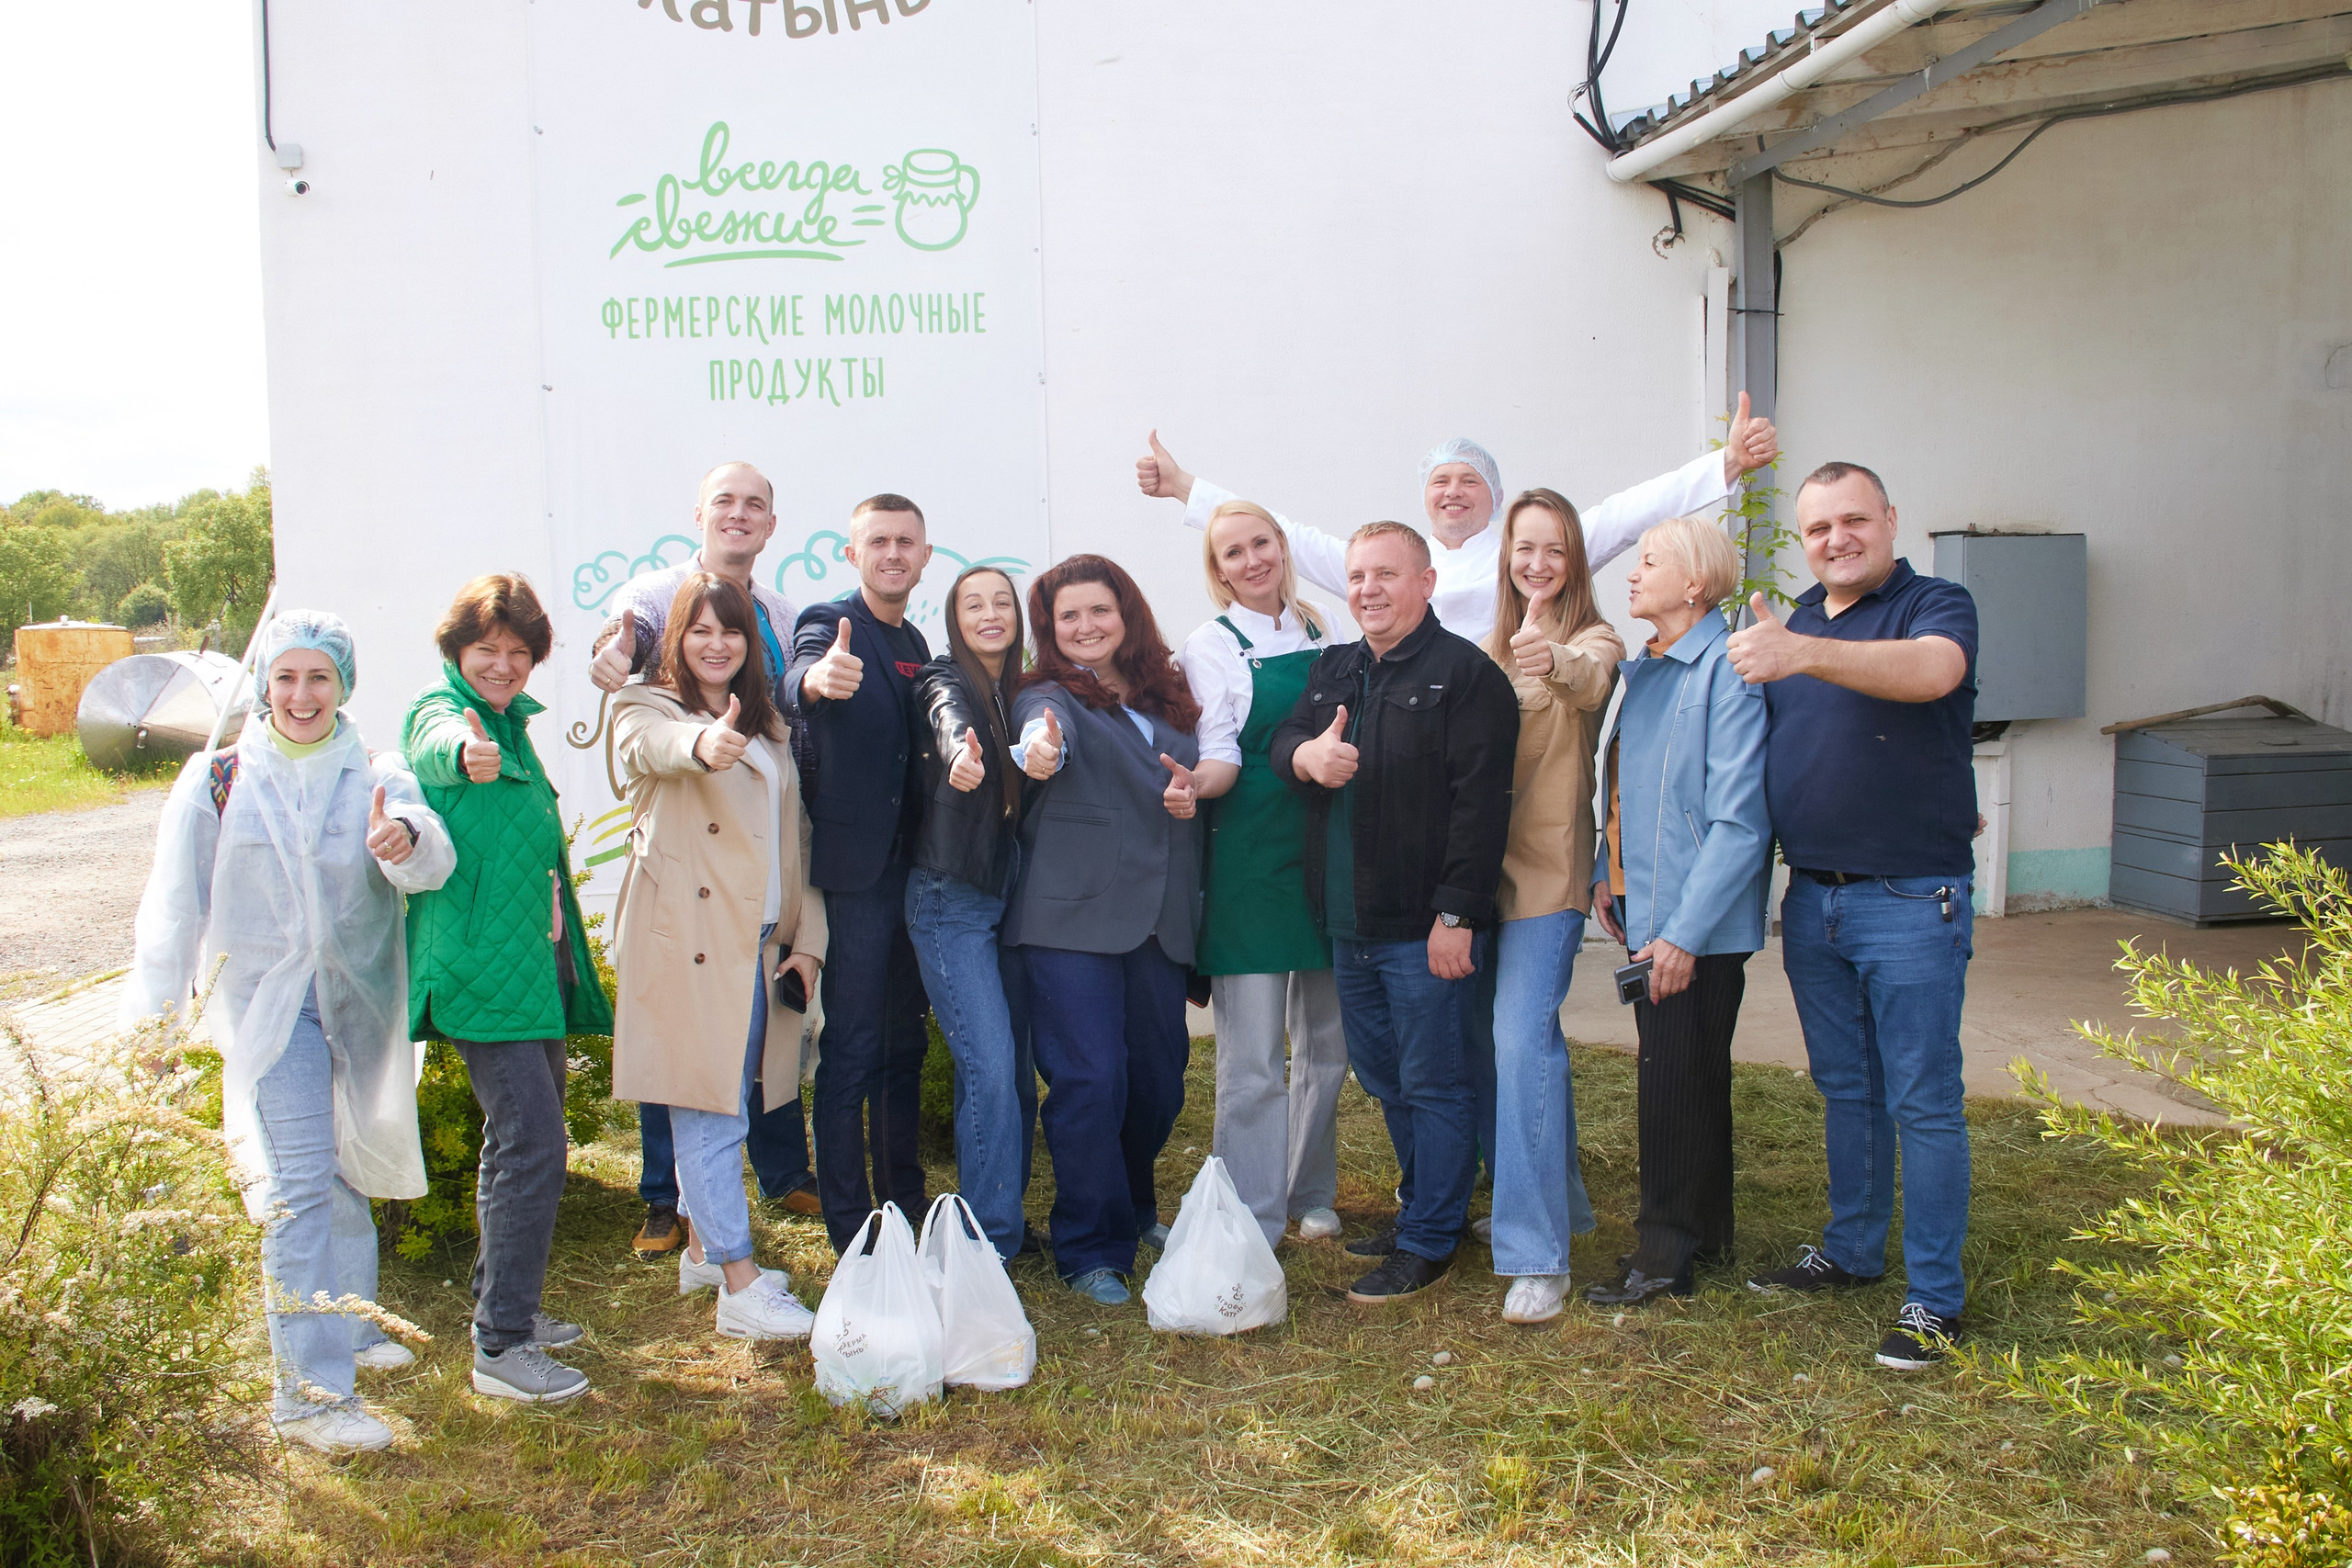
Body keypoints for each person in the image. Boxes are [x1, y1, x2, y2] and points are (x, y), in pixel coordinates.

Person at [121, 611, 455, 1453]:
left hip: (358, 1002)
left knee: (342, 1159)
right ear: (264, 685)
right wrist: (155, 1024)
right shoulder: (219, 779)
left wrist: (402, 839)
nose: (302, 695)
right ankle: (308, 1395)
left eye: (319, 678)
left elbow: (432, 858)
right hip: (268, 1012)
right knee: (301, 1182)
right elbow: (173, 910)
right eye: (286, 678)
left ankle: (345, 1325)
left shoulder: (375, 771)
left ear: (344, 684)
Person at [1725, 461, 1979, 1371]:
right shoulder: (1785, 620)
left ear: (1889, 520)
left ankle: (1933, 1300)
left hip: (1911, 896)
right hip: (1816, 899)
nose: (1836, 539)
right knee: (1847, 1090)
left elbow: (1933, 674)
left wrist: (1801, 652)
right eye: (1819, 528)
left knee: (1923, 1102)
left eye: (1852, 521)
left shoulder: (1933, 605)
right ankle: (1850, 1248)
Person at [1272, 523, 1518, 1303]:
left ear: (1427, 582)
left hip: (1423, 927)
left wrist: (1458, 915)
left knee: (1435, 1080)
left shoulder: (1466, 676)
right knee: (1384, 1075)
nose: (1369, 589)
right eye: (1356, 575)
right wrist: (1307, 757)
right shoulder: (1337, 666)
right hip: (1350, 921)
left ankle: (1430, 1239)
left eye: (1386, 573)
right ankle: (1429, 1207)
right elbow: (1285, 739)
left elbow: (1483, 808)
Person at [586, 460, 817, 1245]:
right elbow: (634, 669)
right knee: (686, 1063)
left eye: (757, 503)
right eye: (726, 500)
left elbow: (784, 717)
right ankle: (672, 1201)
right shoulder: (656, 594)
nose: (740, 514)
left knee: (755, 1043)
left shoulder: (782, 613)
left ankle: (781, 1173)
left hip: (759, 862)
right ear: (699, 513)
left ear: (771, 524)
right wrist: (699, 734)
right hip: (691, 867)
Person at [402, 574, 614, 1405]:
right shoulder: (448, 713)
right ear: (459, 651)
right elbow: (433, 740)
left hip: (530, 966)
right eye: (487, 650)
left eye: (519, 652)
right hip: (482, 971)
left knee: (517, 1140)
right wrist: (462, 750)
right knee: (533, 1141)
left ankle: (505, 1307)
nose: (503, 664)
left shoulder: (514, 726)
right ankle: (502, 1344)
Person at [611, 573, 828, 1341]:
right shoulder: (647, 707)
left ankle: (703, 1249)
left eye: (730, 630)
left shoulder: (770, 726)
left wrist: (805, 940)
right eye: (699, 629)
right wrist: (701, 742)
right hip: (693, 946)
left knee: (729, 1095)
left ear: (750, 643)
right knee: (708, 1109)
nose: (716, 643)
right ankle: (739, 1283)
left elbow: (792, 836)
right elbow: (655, 749)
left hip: (759, 943)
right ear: (676, 638)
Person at [1134, 397, 1780, 643]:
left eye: (1469, 481)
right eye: (1440, 481)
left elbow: (1625, 513)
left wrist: (1723, 465)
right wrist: (1185, 487)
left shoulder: (1531, 555)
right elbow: (1282, 534)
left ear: (1496, 498)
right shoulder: (1388, 569)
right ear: (1423, 499)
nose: (1453, 492)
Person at [1580, 518, 1771, 1311]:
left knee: (1673, 1084)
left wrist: (1684, 934)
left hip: (1692, 923)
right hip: (1646, 905)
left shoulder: (1725, 671)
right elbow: (1626, 786)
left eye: (1649, 562)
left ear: (1695, 583)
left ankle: (1663, 1254)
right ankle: (1708, 1231)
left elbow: (1739, 821)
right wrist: (1605, 871)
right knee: (1691, 1074)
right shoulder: (1650, 669)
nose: (1632, 574)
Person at [1002, 555, 1204, 1304]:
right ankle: (1089, 1245)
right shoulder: (1048, 695)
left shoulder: (1170, 690)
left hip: (1160, 914)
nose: (1086, 627)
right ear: (1049, 632)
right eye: (1068, 617)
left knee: (1157, 1078)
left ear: (1128, 614)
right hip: (1071, 914)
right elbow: (1039, 739)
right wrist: (1039, 752)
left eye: (1099, 611)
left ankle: (1134, 1205)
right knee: (1092, 1079)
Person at [1175, 501, 1349, 1251]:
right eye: (1233, 553)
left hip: (1323, 851)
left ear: (1282, 546)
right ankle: (1251, 1206)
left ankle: (1310, 1191)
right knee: (1251, 1058)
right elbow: (1220, 752)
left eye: (1261, 544)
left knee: (1328, 1044)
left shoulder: (1322, 632)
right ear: (1217, 571)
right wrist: (1194, 787)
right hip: (1248, 859)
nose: (1252, 561)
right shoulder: (1210, 645)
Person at [1477, 491, 1626, 1325]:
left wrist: (1548, 655)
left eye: (1555, 552)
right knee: (1494, 1045)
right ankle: (1558, 1203)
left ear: (1574, 563)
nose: (1536, 565)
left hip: (1546, 878)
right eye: (1524, 549)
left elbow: (1588, 679)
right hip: (1475, 883)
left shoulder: (1592, 640)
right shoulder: (1482, 651)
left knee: (1520, 1037)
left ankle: (1538, 1254)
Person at [785, 494, 935, 1252]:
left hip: (919, 874)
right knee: (850, 1046)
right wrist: (816, 680)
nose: (892, 553)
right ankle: (852, 1224)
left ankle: (904, 1203)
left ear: (924, 556)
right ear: (853, 553)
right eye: (878, 540)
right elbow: (800, 678)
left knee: (905, 1043)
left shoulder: (917, 637)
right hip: (856, 875)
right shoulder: (828, 619)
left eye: (905, 541)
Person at [904, 564, 1038, 1260]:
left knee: (1013, 1069)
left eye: (1001, 603)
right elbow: (944, 715)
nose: (989, 614)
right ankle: (990, 1243)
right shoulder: (946, 677)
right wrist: (960, 749)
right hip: (949, 897)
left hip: (1004, 893)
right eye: (972, 604)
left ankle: (997, 1217)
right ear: (955, 618)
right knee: (987, 1066)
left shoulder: (1016, 688)